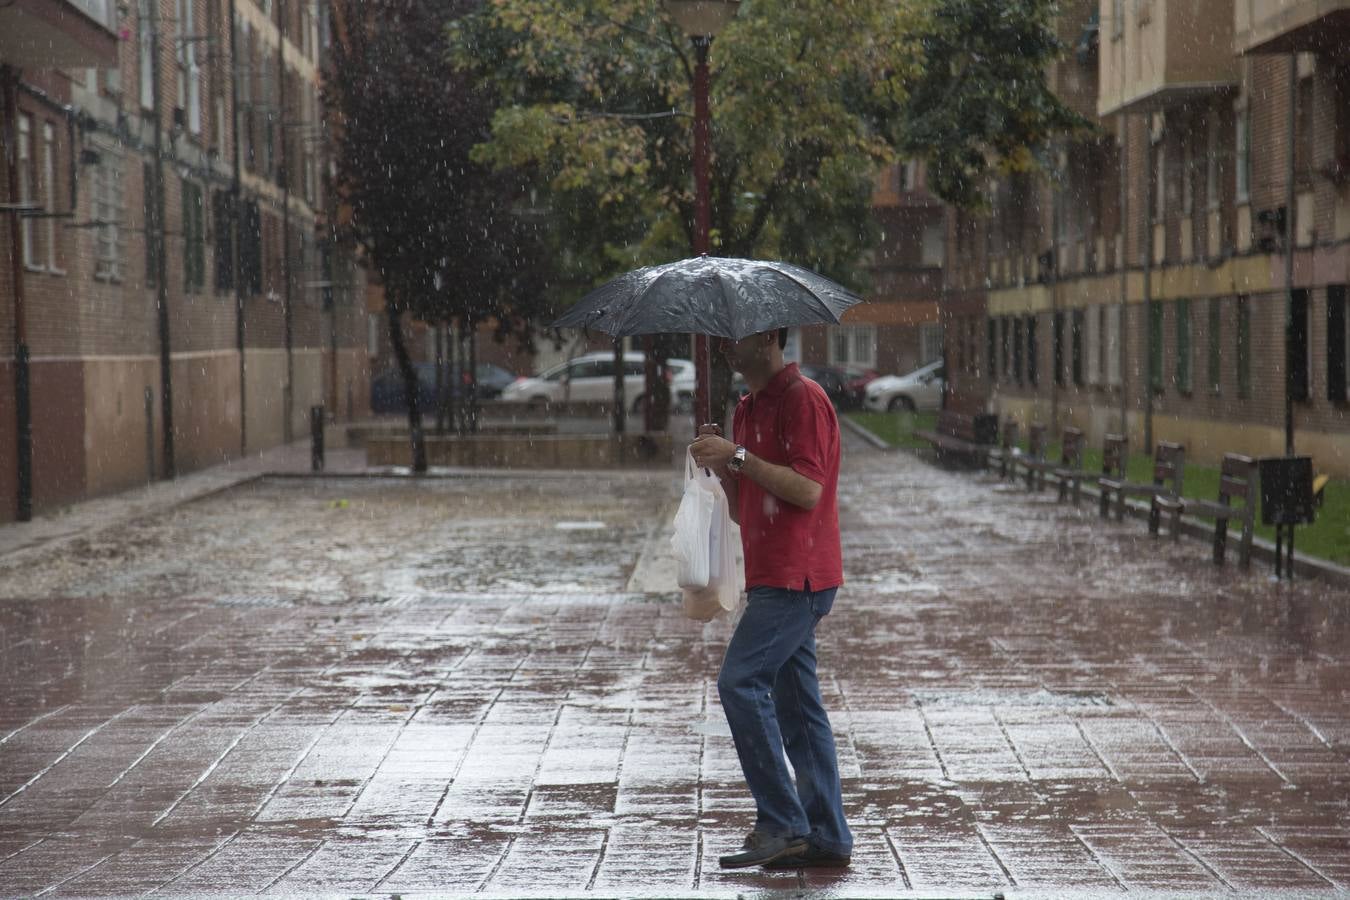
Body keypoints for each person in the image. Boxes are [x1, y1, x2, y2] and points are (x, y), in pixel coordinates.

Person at [688, 328, 853, 870]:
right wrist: (722, 465)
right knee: (797, 708)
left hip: (798, 577)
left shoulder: (804, 398)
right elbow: (743, 510)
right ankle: (826, 833)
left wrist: (737, 456)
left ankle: (782, 822)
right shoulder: (746, 408)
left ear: (770, 338)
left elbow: (808, 489)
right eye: (725, 338)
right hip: (771, 575)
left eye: (739, 337)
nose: (728, 345)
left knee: (740, 682)